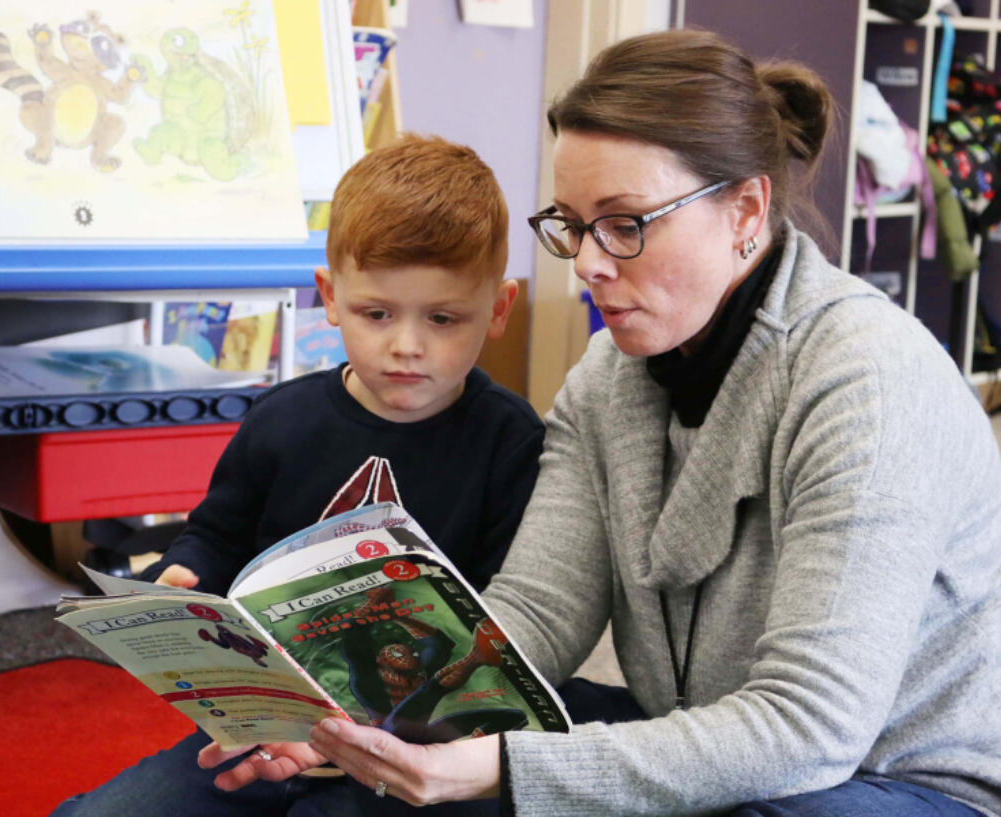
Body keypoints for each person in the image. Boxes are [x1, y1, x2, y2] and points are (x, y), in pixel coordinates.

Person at [220, 28, 1001, 816]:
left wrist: (498, 767)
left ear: (745, 212)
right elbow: (539, 614)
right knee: (381, 792)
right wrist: (359, 717)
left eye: (626, 224)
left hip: (925, 782)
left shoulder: (869, 380)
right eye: (572, 225)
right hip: (725, 734)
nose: (589, 262)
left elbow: (810, 727)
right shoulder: (608, 377)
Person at [50, 134, 641, 817]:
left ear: (499, 309)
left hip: (422, 749)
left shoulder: (512, 443)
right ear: (330, 296)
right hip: (270, 731)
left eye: (444, 318)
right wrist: (185, 571)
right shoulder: (281, 420)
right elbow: (216, 535)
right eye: (376, 313)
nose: (406, 345)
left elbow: (513, 617)